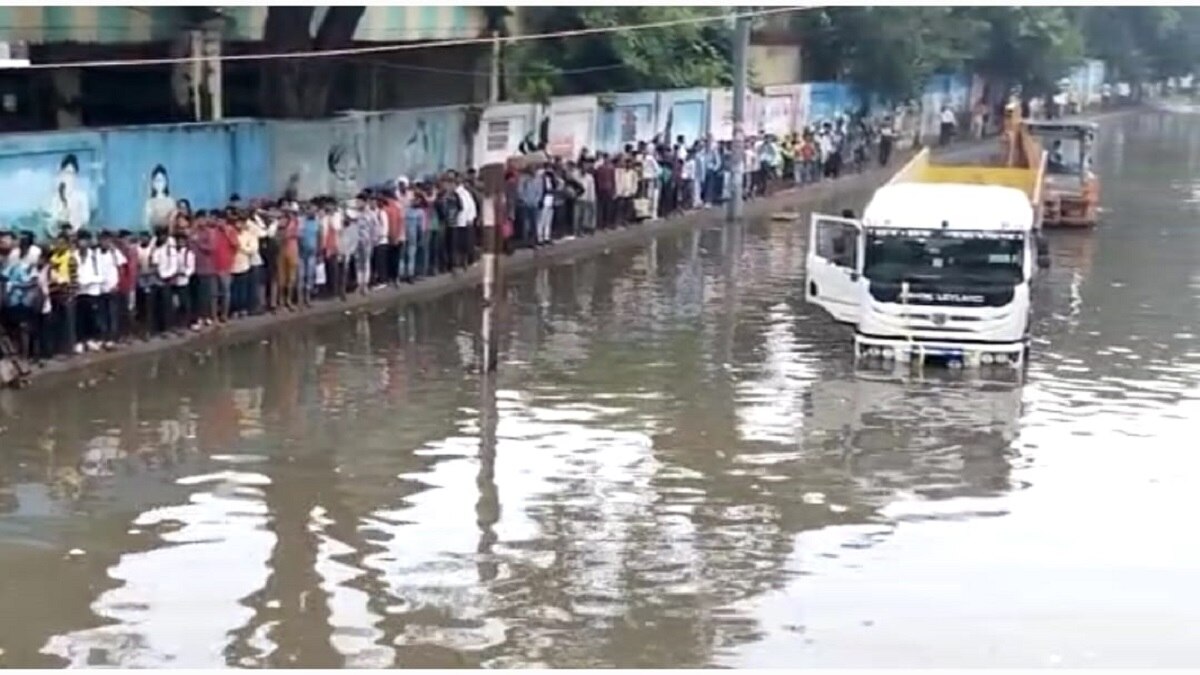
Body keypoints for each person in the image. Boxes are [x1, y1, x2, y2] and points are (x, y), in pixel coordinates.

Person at [298, 203, 321, 307]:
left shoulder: (317, 223)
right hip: (301, 254)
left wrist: (319, 252)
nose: (312, 212)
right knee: (301, 276)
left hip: (312, 253)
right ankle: (300, 299)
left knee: (310, 276)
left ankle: (308, 298)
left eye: (314, 211)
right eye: (310, 210)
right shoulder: (302, 222)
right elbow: (298, 237)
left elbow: (319, 237)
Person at [144, 165, 176, 232]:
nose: (159, 184)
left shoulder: (171, 201)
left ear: (166, 182)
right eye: (157, 181)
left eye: (161, 180)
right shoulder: (150, 202)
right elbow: (147, 223)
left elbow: (173, 221)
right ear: (152, 183)